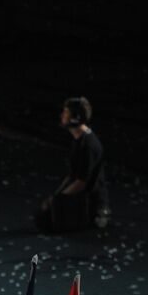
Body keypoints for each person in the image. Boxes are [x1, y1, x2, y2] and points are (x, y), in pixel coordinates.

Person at [37, 96, 109, 232]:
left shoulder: (88, 145)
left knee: (47, 220)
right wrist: (55, 197)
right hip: (83, 197)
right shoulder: (79, 140)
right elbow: (74, 175)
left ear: (74, 118)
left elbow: (82, 181)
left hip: (90, 205)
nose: (62, 116)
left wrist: (58, 199)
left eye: (66, 113)